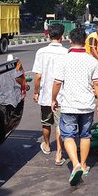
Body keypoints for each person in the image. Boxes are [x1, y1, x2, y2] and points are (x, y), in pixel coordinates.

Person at [52, 28, 98, 186]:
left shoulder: (63, 60)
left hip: (68, 105)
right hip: (87, 105)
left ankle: (75, 165)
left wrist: (53, 99)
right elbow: (97, 84)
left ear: (70, 40)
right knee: (85, 135)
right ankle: (84, 165)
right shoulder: (92, 61)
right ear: (85, 41)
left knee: (68, 135)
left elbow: (57, 83)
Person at [32, 23, 68, 166]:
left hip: (46, 94)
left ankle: (47, 145)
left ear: (48, 35)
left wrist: (36, 92)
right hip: (61, 95)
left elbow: (38, 76)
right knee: (60, 125)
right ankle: (59, 154)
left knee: (46, 122)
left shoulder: (41, 52)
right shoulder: (66, 53)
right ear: (62, 36)